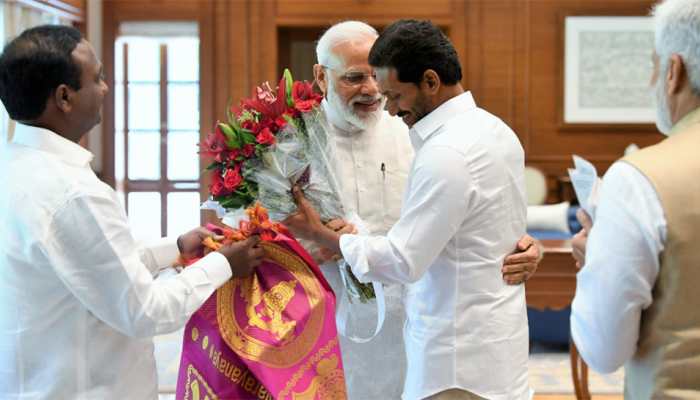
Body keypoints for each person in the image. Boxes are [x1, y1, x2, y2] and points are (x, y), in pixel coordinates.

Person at [0, 25, 264, 399]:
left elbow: (88, 267)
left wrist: (173, 248)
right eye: (98, 78)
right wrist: (224, 265)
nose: (106, 88)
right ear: (64, 97)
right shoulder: (75, 193)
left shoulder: (13, 165)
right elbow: (146, 312)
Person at [287, 19, 531, 400]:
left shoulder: (420, 136)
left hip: (420, 327)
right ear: (321, 76)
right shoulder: (288, 140)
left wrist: (524, 245)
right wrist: (303, 240)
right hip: (327, 318)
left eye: (382, 85)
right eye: (355, 78)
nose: (376, 96)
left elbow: (412, 252)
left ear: (428, 82)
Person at [570, 0, 700, 397]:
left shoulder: (639, 179)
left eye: (654, 66)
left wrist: (595, 259)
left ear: (673, 71)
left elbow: (604, 349)